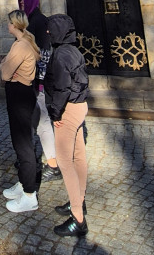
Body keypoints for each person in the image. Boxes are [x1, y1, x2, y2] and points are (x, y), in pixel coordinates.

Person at [44, 13, 90, 238]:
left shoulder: (61, 54)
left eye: (51, 29)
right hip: (80, 106)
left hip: (68, 110)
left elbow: (62, 88)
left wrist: (55, 112)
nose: (47, 32)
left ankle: (78, 219)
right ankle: (79, 201)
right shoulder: (74, 50)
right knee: (79, 156)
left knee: (64, 162)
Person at [0, 9, 40, 213]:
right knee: (19, 141)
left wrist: (4, 65)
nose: (7, 26)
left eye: (9, 23)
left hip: (20, 95)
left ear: (14, 25)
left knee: (23, 143)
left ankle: (30, 194)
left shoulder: (21, 45)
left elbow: (5, 72)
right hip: (21, 94)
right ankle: (24, 183)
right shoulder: (23, 43)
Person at [18, 0, 60, 182]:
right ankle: (31, 158)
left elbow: (44, 53)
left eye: (23, 1)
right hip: (29, 80)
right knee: (32, 122)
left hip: (36, 82)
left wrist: (38, 80)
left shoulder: (39, 21)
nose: (21, 5)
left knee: (43, 123)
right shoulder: (28, 21)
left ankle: (53, 164)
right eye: (19, 2)